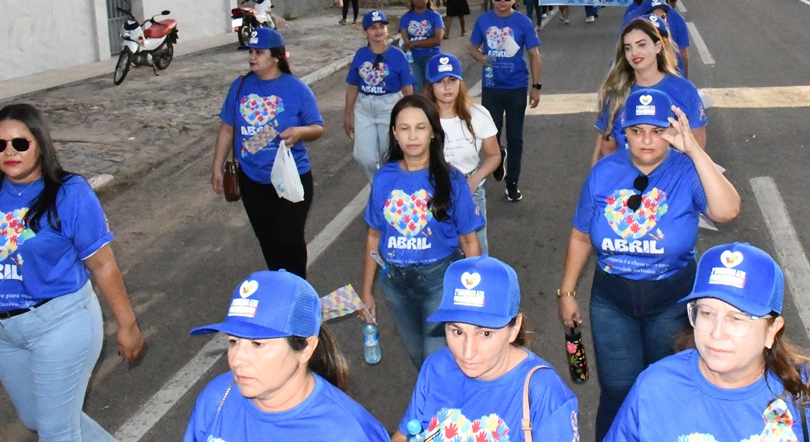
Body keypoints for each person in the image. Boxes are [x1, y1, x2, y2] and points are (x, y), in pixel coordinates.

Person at [558, 88, 741, 441]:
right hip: (612, 302)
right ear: (624, 131)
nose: (646, 141)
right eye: (636, 130)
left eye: (657, 131)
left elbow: (727, 210)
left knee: (666, 388)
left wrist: (694, 150)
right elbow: (581, 236)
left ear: (671, 132)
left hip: (671, 302)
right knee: (617, 389)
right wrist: (566, 292)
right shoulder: (603, 173)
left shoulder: (686, 170)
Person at [604, 242, 810, 442]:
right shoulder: (655, 388)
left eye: (737, 318)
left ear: (772, 331)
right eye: (707, 313)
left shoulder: (808, 399)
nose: (717, 333)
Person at [0, 103, 144, 441]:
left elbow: (103, 264)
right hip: (6, 332)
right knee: (37, 417)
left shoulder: (69, 193)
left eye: (20, 143)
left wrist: (128, 325)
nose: (10, 152)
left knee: (57, 431)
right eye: (0, 145)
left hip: (60, 323)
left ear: (41, 144)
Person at [185, 270, 390, 442]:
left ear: (306, 348)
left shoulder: (347, 434)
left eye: (257, 344)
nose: (237, 359)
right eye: (233, 341)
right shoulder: (217, 396)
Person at [393, 256, 580, 442]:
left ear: (514, 328)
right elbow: (404, 435)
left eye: (485, 334)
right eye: (457, 332)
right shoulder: (436, 367)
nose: (467, 353)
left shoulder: (546, 394)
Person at [359, 95, 483, 369]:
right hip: (395, 284)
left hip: (439, 282)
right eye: (404, 128)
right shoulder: (384, 178)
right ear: (394, 133)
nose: (412, 136)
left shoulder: (452, 180)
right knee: (418, 357)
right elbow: (373, 236)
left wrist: (473, 294)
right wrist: (366, 292)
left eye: (420, 127)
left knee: (435, 361)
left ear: (433, 133)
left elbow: (469, 240)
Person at [212, 27, 324, 278]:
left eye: (259, 52)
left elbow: (317, 127)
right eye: (251, 52)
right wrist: (217, 167)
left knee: (289, 238)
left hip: (290, 177)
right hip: (252, 179)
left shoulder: (296, 88)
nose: (252, 57)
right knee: (268, 240)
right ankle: (279, 285)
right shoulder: (240, 86)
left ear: (276, 57)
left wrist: (300, 132)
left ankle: (297, 287)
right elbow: (227, 128)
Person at [594, 16, 706, 165]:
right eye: (628, 48)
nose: (634, 52)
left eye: (641, 45)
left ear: (658, 46)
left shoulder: (685, 90)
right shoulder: (616, 94)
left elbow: (698, 144)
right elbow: (607, 149)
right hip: (627, 177)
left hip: (674, 177)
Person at [469, 0, 542, 203]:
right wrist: (482, 58)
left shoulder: (523, 22)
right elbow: (472, 48)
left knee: (515, 136)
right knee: (491, 133)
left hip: (516, 86)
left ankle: (512, 182)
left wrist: (536, 87)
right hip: (491, 87)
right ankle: (498, 155)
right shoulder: (484, 20)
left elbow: (534, 55)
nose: (502, 1)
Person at [424, 53, 501, 256]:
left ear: (460, 82)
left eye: (452, 80)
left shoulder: (478, 114)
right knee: (437, 250)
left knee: (478, 250)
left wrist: (475, 179)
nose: (447, 86)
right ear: (430, 86)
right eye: (440, 81)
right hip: (431, 190)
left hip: (470, 190)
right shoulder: (422, 119)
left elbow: (494, 155)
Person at [345, 10, 414, 181]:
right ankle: (377, 186)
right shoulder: (361, 55)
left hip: (389, 106)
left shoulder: (397, 55)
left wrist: (411, 113)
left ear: (387, 29)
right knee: (364, 157)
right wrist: (347, 115)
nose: (378, 31)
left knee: (388, 155)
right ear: (365, 32)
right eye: (373, 27)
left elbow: (407, 87)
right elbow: (352, 86)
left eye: (382, 26)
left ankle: (389, 188)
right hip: (364, 108)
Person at [643, 0, 691, 77]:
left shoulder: (678, 19)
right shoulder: (634, 15)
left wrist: (685, 80)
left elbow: (683, 53)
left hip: (670, 76)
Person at [399, 0, 445, 92]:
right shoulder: (405, 17)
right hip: (413, 58)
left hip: (432, 55)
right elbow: (405, 40)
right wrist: (408, 45)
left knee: (431, 87)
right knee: (417, 87)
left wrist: (415, 43)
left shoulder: (435, 16)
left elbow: (437, 39)